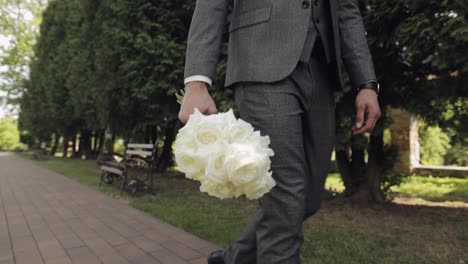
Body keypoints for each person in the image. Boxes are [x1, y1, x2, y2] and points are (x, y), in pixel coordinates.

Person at [178, 0, 381, 263]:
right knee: (285, 194)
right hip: (262, 61)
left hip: (321, 70)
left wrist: (367, 83)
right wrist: (196, 83)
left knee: (308, 198)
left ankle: (234, 258)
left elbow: (346, 10)